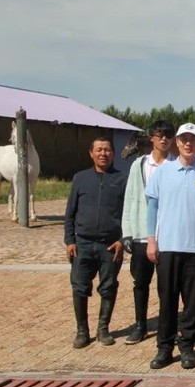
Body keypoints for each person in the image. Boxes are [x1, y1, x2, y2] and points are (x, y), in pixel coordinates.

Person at [145, 122, 195, 370]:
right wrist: (151, 240)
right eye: (184, 139)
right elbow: (152, 208)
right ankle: (164, 348)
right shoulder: (163, 172)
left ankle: (187, 347)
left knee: (192, 302)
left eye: (193, 140)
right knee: (167, 300)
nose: (189, 144)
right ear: (177, 142)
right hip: (168, 246)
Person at [64, 137, 127, 348]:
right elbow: (70, 213)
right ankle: (82, 331)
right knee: (79, 287)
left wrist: (122, 240)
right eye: (99, 150)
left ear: (113, 153)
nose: (103, 154)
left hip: (110, 246)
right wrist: (70, 240)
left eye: (107, 150)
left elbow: (129, 214)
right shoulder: (80, 178)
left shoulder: (122, 179)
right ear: (91, 153)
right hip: (82, 244)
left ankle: (103, 328)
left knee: (108, 287)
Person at [121, 120, 175, 345]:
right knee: (141, 283)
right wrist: (127, 231)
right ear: (151, 137)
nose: (164, 139)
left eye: (168, 135)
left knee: (167, 286)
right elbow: (130, 197)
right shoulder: (139, 164)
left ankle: (166, 327)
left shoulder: (176, 165)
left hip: (168, 236)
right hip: (142, 233)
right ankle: (140, 325)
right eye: (159, 135)